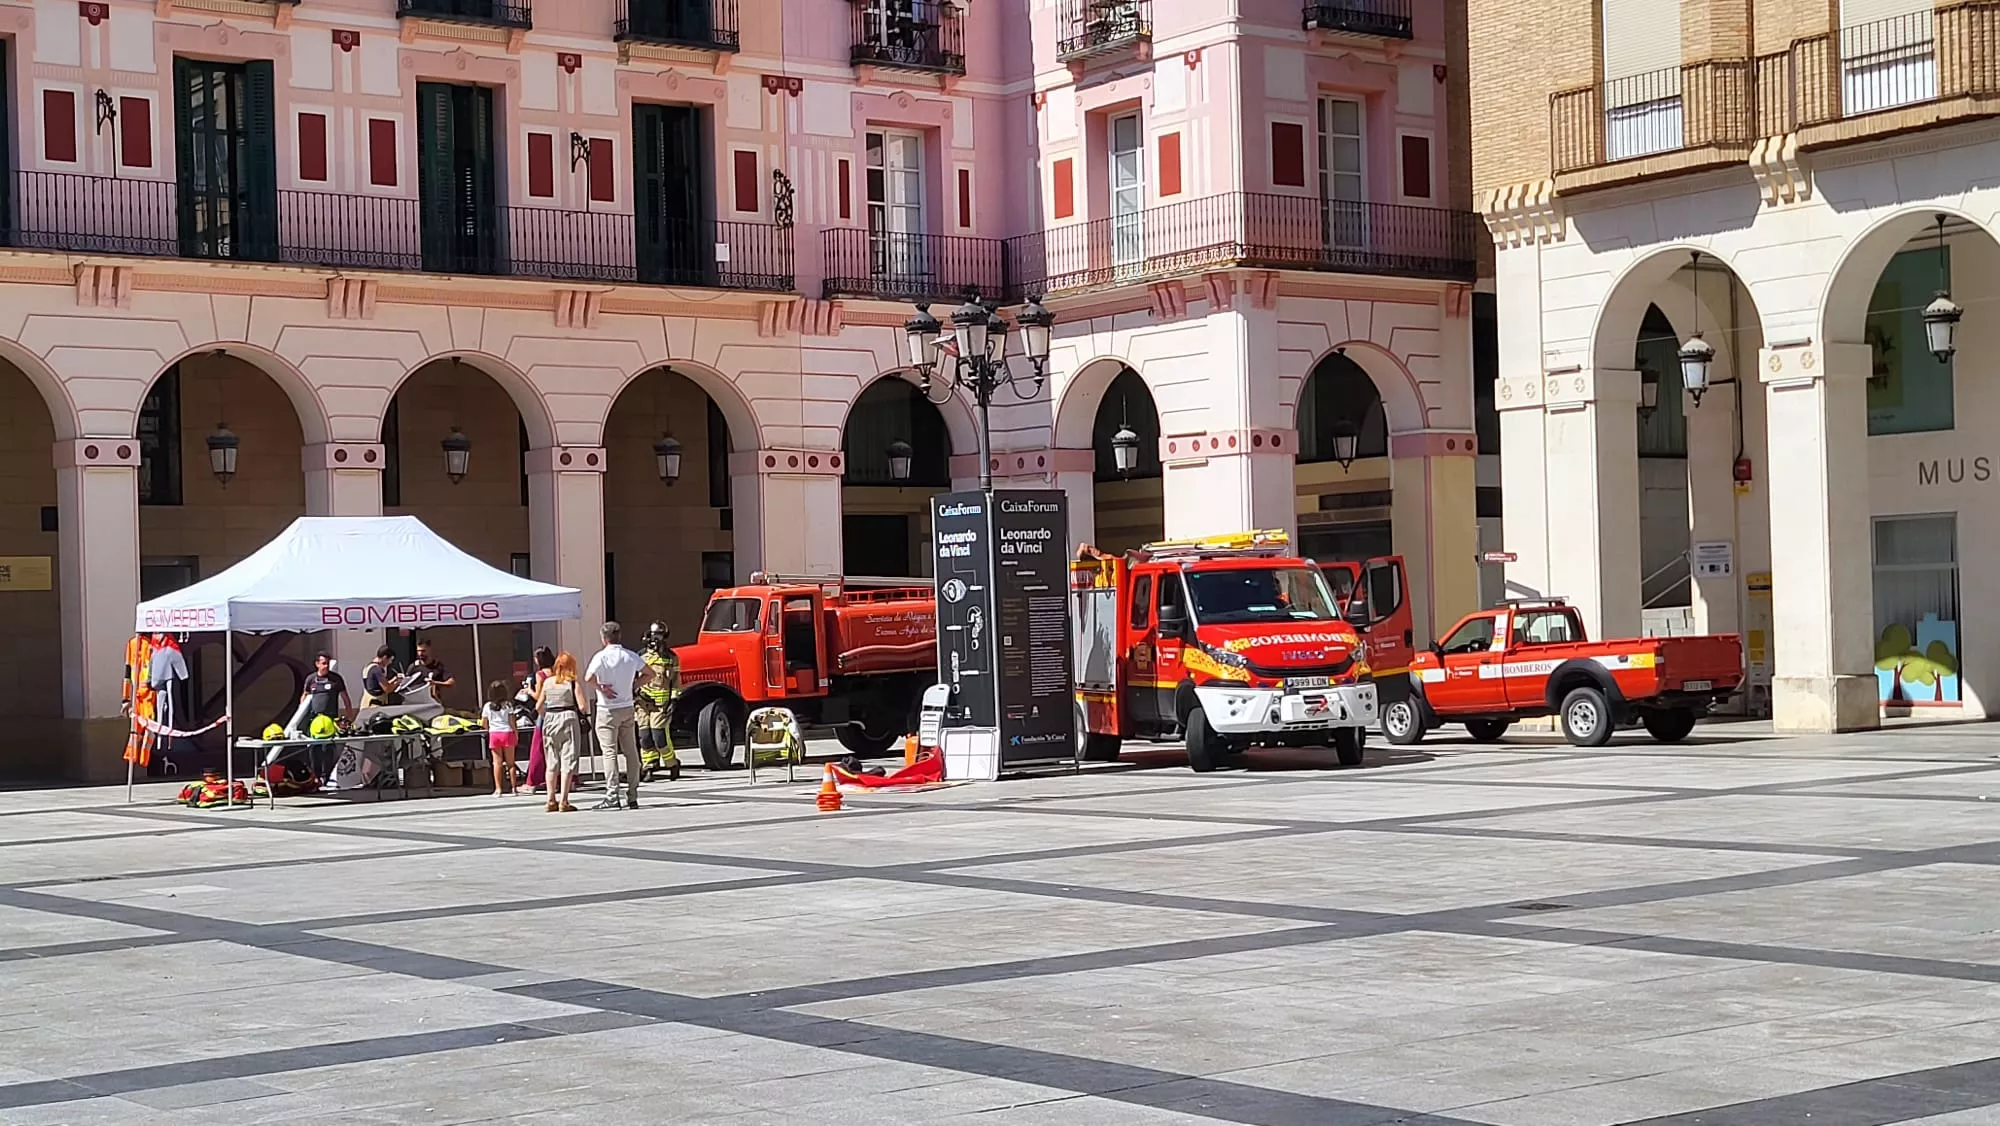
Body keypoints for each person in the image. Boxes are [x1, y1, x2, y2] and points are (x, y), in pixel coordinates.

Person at [584, 621, 652, 810]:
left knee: (609, 752)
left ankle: (612, 795)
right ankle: (633, 794)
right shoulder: (629, 656)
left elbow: (588, 678)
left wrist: (601, 688)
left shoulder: (601, 657)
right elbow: (650, 673)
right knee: (631, 752)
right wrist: (633, 686)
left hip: (607, 709)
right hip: (627, 706)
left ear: (604, 638)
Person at [536, 652, 584, 813]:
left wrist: (546, 716)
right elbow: (583, 707)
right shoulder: (572, 683)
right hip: (568, 718)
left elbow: (538, 706)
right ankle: (564, 800)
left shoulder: (548, 682)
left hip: (550, 718)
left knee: (551, 761)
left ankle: (550, 800)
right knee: (567, 760)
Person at [636, 622, 680, 783]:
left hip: (661, 705)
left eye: (660, 636)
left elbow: (675, 682)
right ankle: (649, 767)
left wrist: (674, 699)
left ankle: (672, 764)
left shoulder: (671, 658)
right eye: (654, 636)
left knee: (659, 736)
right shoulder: (641, 655)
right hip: (642, 703)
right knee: (645, 737)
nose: (656, 639)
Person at [524, 647, 555, 793]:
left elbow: (539, 696)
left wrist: (529, 690)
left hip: (544, 712)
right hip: (558, 709)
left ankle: (534, 780)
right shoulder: (557, 672)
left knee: (538, 747)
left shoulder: (540, 674)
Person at [481, 680, 520, 797]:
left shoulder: (487, 706)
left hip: (494, 734)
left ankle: (498, 789)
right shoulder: (508, 705)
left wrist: (489, 729)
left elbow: (484, 722)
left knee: (497, 763)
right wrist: (516, 734)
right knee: (511, 763)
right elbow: (512, 721)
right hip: (507, 733)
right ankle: (514, 788)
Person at [299, 653, 352, 728]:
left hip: (331, 717)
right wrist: (301, 712)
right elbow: (304, 695)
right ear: (317, 664)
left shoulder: (336, 679)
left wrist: (349, 716)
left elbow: (345, 698)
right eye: (323, 663)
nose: (326, 666)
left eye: (328, 663)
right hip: (315, 718)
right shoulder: (311, 679)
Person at [403, 638, 455, 704]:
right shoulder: (413, 667)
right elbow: (405, 685)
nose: (420, 654)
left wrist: (435, 683)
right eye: (418, 651)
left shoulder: (438, 666)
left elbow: (451, 683)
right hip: (415, 703)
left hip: (433, 703)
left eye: (423, 651)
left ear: (429, 649)